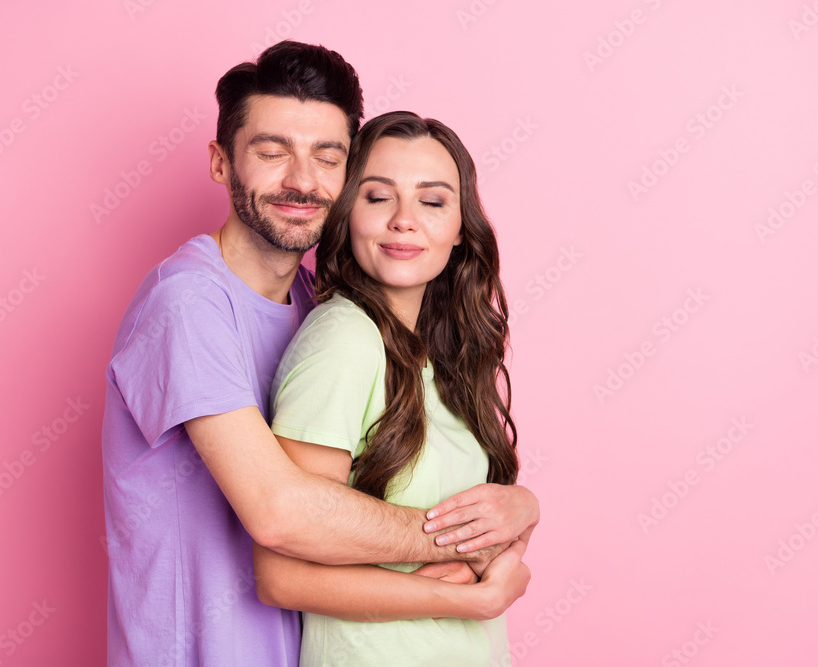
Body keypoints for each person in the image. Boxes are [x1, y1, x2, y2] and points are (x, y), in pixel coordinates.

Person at [101, 42, 534, 666]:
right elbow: (280, 514)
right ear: (222, 163)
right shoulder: (187, 305)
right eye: (272, 153)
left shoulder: (314, 302)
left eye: (327, 157)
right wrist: (466, 545)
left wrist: (519, 508)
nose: (302, 180)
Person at [254, 111, 538, 666]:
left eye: (432, 202)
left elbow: (472, 519)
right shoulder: (344, 339)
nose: (404, 221)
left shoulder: (445, 354)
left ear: (460, 229)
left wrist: (523, 508)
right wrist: (469, 597)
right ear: (345, 215)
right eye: (378, 197)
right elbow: (282, 575)